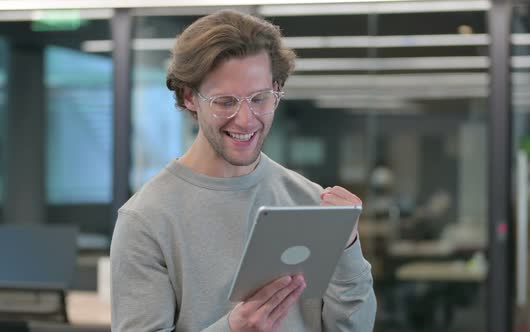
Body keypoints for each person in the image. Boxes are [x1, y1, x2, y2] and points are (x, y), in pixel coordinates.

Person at [110, 9, 376, 332]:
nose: (246, 119)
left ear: (277, 91)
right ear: (189, 96)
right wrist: (233, 329)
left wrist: (347, 248)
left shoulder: (310, 201)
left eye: (259, 98)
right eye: (225, 101)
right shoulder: (146, 221)